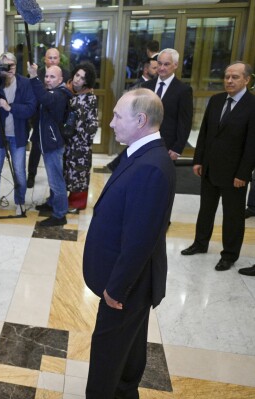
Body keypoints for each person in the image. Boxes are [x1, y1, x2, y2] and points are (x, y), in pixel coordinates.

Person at [83, 89, 175, 398]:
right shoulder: (140, 153)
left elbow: (139, 240)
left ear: (141, 120)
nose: (110, 123)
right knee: (129, 347)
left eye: (117, 116)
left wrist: (116, 289)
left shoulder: (151, 166)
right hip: (127, 283)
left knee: (107, 355)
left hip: (124, 287)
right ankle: (125, 391)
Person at [181, 62, 255, 274]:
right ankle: (200, 243)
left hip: (235, 174)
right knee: (206, 209)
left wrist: (243, 173)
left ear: (247, 80)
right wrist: (198, 160)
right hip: (210, 168)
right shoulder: (215, 100)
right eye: (226, 76)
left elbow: (252, 145)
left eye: (235, 77)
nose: (229, 81)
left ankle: (229, 255)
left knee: (233, 216)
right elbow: (204, 133)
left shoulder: (252, 105)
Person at [0, 52, 36, 217]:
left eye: (13, 66)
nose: (9, 70)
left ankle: (20, 202)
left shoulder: (24, 83)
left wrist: (10, 107)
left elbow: (31, 108)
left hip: (18, 136)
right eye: (6, 66)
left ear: (17, 66)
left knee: (20, 172)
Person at [28, 63, 72, 227]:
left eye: (52, 77)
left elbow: (45, 99)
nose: (48, 79)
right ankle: (52, 203)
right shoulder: (53, 91)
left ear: (61, 79)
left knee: (56, 181)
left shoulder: (59, 94)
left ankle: (60, 214)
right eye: (46, 76)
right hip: (49, 142)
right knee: (53, 177)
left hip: (53, 144)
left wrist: (33, 77)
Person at [27, 48, 70, 189]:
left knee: (55, 171)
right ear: (45, 59)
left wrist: (34, 78)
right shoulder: (39, 73)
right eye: (49, 57)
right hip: (39, 121)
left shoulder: (64, 80)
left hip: (54, 127)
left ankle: (58, 206)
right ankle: (31, 177)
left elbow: (49, 98)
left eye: (55, 58)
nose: (52, 60)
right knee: (35, 152)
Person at [142, 48, 193, 160]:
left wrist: (177, 148)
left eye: (166, 64)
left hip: (167, 145)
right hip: (144, 141)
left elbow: (185, 122)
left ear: (175, 65)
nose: (161, 68)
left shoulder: (183, 90)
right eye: (159, 64)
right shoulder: (146, 86)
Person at [65, 63, 99, 213]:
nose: (78, 79)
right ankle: (65, 199)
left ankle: (77, 203)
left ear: (87, 81)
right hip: (68, 141)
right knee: (68, 172)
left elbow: (93, 123)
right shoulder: (70, 92)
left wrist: (83, 140)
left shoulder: (90, 98)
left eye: (82, 78)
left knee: (79, 174)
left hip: (80, 144)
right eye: (77, 75)